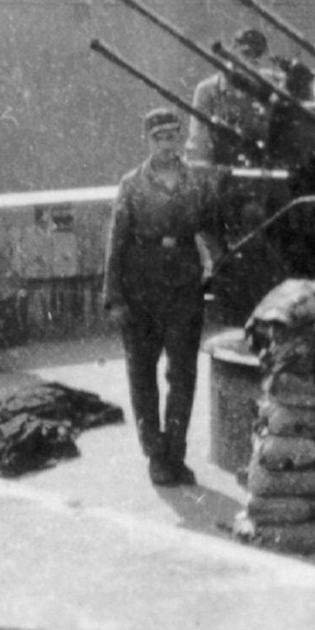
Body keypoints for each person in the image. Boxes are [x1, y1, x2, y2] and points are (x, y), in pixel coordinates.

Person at [103, 107, 231, 486]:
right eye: (158, 138)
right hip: (140, 283)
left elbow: (211, 228)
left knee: (183, 373)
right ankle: (155, 453)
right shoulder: (132, 185)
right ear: (148, 141)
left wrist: (221, 265)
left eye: (172, 137)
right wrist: (114, 297)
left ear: (179, 139)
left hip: (184, 285)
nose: (166, 144)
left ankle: (175, 452)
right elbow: (116, 241)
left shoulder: (196, 182)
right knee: (142, 374)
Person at [187, 28, 279, 167]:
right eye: (246, 53)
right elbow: (199, 143)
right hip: (223, 173)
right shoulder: (208, 90)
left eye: (257, 54)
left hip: (264, 173)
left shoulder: (272, 91)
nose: (252, 60)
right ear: (232, 53)